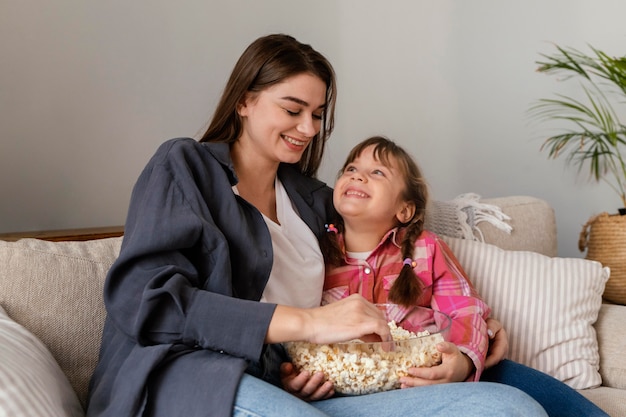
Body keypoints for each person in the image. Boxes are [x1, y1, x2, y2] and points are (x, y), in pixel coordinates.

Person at [86, 34, 548, 417]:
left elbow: (390, 238)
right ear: (245, 101)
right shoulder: (184, 166)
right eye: (292, 110)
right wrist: (309, 322)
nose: (308, 128)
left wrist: (475, 331)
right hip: (191, 381)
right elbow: (146, 303)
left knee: (511, 408)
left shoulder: (314, 202)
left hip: (296, 387)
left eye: (318, 114)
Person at [280, 135, 608, 417]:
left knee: (513, 376)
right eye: (351, 169)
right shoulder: (315, 253)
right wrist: (295, 377)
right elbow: (294, 323)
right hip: (347, 387)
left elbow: (464, 309)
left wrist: (463, 362)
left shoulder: (425, 249)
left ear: (404, 210)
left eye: (377, 172)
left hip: (427, 373)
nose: (358, 176)